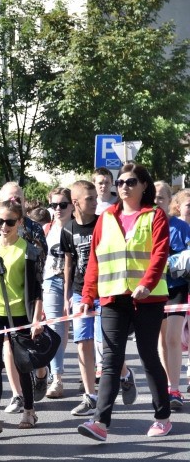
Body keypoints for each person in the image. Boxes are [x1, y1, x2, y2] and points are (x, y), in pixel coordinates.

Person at [77, 163, 172, 441]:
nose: (123, 187)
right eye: (120, 182)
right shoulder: (106, 217)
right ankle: (100, 423)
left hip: (148, 297)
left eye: (130, 182)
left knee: (147, 354)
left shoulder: (155, 215)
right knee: (110, 360)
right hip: (113, 296)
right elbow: (94, 261)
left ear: (144, 185)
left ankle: (162, 417)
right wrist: (87, 297)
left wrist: (147, 284)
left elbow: (159, 254)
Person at [0, 200, 45, 432]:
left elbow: (37, 288)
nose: (4, 226)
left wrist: (36, 318)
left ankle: (29, 412)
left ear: (20, 222)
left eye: (10, 221)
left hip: (19, 314)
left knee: (23, 364)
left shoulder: (29, 250)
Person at [61, 180, 105, 417]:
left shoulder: (103, 223)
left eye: (95, 198)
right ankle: (90, 396)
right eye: (89, 199)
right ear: (76, 202)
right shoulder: (68, 229)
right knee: (83, 343)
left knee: (103, 343)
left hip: (103, 292)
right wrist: (68, 295)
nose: (95, 201)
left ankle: (124, 374)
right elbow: (69, 263)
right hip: (79, 292)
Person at [41, 188, 74, 399]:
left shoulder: (76, 228)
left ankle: (92, 375)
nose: (58, 209)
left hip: (74, 284)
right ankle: (57, 377)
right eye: (54, 205)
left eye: (63, 204)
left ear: (72, 205)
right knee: (55, 329)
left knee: (75, 331)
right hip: (51, 281)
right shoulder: (46, 229)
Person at [164, 188, 190, 408]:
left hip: (177, 288)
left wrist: (176, 261)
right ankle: (164, 384)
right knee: (160, 340)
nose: (157, 202)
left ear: (169, 201)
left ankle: (174, 389)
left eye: (161, 198)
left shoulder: (181, 227)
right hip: (153, 289)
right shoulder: (145, 225)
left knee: (173, 338)